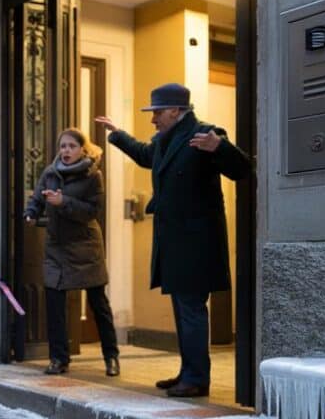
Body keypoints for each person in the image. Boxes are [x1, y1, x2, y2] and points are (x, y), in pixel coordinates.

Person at [95, 83, 251, 398]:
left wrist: (220, 148)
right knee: (183, 308)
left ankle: (196, 379)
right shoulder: (165, 140)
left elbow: (242, 169)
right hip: (174, 241)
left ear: (175, 111)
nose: (153, 120)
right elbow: (144, 155)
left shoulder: (205, 135)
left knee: (192, 308)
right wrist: (117, 134)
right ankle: (188, 371)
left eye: (156, 113)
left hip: (196, 241)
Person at [23, 127, 120, 377]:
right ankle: (58, 359)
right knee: (54, 303)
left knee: (99, 304)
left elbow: (92, 211)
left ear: (82, 150)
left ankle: (111, 356)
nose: (66, 151)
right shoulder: (50, 172)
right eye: (63, 146)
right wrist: (31, 213)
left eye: (71, 146)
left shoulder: (93, 176)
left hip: (85, 246)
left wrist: (63, 202)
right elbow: (37, 198)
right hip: (57, 247)